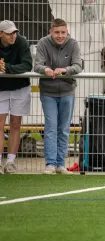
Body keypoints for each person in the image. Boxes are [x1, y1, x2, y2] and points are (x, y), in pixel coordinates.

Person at [33, 18, 83, 175]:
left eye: (63, 32)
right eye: (57, 32)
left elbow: (78, 66)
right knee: (50, 128)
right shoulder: (42, 43)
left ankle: (61, 164)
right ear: (50, 32)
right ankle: (50, 164)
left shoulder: (73, 44)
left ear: (67, 32)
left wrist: (64, 70)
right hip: (48, 91)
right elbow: (37, 65)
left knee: (64, 129)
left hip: (68, 91)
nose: (60, 36)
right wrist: (46, 70)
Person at [0, 20, 33, 175]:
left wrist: (6, 68)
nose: (13, 36)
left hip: (20, 88)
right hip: (1, 88)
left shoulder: (21, 41)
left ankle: (11, 162)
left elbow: (27, 65)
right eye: (8, 33)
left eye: (14, 32)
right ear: (1, 34)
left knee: (15, 124)